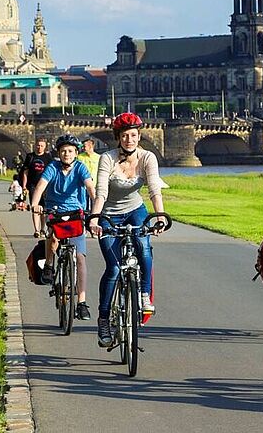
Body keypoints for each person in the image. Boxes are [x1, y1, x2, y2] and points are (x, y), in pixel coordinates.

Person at [88, 112, 165, 348]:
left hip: (135, 210)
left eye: (133, 135)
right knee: (112, 268)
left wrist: (160, 214)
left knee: (144, 247)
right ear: (118, 137)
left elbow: (154, 188)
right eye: (125, 136)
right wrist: (95, 218)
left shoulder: (147, 157)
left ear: (138, 136)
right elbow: (101, 191)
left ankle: (143, 294)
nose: (129, 140)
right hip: (109, 213)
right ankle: (104, 320)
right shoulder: (107, 159)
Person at [30, 135, 96, 321]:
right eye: (63, 151)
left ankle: (82, 302)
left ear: (76, 153)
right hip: (54, 210)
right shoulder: (53, 167)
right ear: (59, 153)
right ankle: (49, 267)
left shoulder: (81, 168)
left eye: (70, 151)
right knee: (53, 237)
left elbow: (90, 187)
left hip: (76, 213)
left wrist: (97, 205)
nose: (67, 154)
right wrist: (35, 204)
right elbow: (41, 185)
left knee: (80, 258)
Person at [21, 138, 53, 237]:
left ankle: (42, 229)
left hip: (45, 186)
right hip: (33, 185)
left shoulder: (48, 157)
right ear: (35, 145)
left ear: (45, 147)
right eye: (38, 145)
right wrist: (24, 185)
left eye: (42, 146)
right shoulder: (30, 156)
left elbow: (52, 171)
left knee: (43, 208)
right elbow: (25, 171)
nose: (39, 147)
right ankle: (36, 230)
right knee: (35, 207)